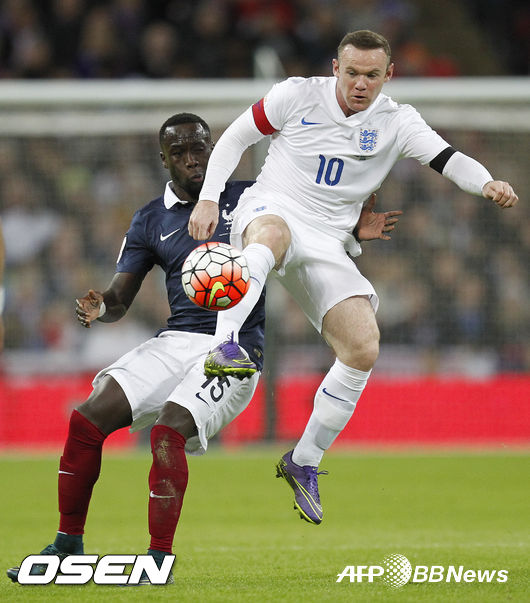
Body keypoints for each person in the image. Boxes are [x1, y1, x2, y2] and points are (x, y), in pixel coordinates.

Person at [6, 112, 397, 585]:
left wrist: (350, 229)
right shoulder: (150, 219)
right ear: (164, 160)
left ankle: (157, 559)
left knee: (167, 432)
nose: (192, 160)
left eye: (200, 149)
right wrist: (101, 307)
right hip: (177, 341)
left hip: (236, 351)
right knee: (85, 421)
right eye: (180, 153)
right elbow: (120, 298)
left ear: (214, 150)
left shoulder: (254, 198)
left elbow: (307, 229)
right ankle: (68, 543)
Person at [188, 30, 519, 526]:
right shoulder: (296, 95)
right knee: (270, 236)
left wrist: (487, 182)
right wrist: (209, 198)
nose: (360, 84)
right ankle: (226, 344)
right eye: (352, 73)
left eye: (371, 75)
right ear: (335, 68)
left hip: (329, 240)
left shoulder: (397, 122)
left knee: (363, 347)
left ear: (389, 75)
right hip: (273, 207)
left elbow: (448, 159)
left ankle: (304, 460)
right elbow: (236, 137)